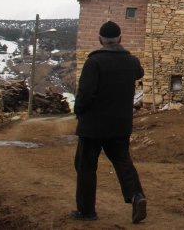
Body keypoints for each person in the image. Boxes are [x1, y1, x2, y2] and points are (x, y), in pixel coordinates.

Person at [71, 20, 147, 224]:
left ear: (100, 40)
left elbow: (85, 94)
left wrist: (78, 112)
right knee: (123, 162)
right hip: (120, 125)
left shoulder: (94, 62)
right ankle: (137, 196)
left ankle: (86, 211)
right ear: (120, 39)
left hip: (92, 126)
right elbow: (140, 72)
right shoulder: (131, 61)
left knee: (86, 166)